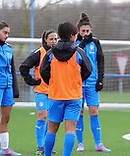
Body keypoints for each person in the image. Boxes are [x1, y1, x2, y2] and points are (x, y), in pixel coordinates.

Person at [41, 22, 92, 156]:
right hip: (74, 97)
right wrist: (77, 80)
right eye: (75, 35)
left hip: (55, 96)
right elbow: (89, 70)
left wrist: (53, 83)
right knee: (70, 130)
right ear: (72, 36)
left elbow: (43, 71)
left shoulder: (50, 53)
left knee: (51, 129)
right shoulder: (79, 52)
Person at [75, 12, 111, 152]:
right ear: (78, 31)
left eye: (87, 31)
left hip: (92, 83)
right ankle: (80, 143)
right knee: (79, 112)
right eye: (83, 31)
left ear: (91, 30)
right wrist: (82, 42)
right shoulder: (75, 43)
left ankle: (99, 144)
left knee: (94, 111)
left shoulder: (95, 42)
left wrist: (100, 79)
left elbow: (100, 61)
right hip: (77, 83)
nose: (85, 33)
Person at [19, 30, 58, 155]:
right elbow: (23, 67)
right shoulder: (39, 53)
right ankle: (40, 146)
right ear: (45, 40)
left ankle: (47, 146)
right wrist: (31, 81)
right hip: (41, 91)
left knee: (52, 119)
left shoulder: (60, 53)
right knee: (42, 115)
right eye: (51, 39)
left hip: (55, 92)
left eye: (56, 39)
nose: (54, 41)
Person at [0, 21, 21, 156]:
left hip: (7, 86)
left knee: (6, 117)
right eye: (4, 32)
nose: (7, 35)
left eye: (8, 33)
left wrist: (15, 88)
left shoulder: (8, 48)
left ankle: (5, 148)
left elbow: (12, 70)